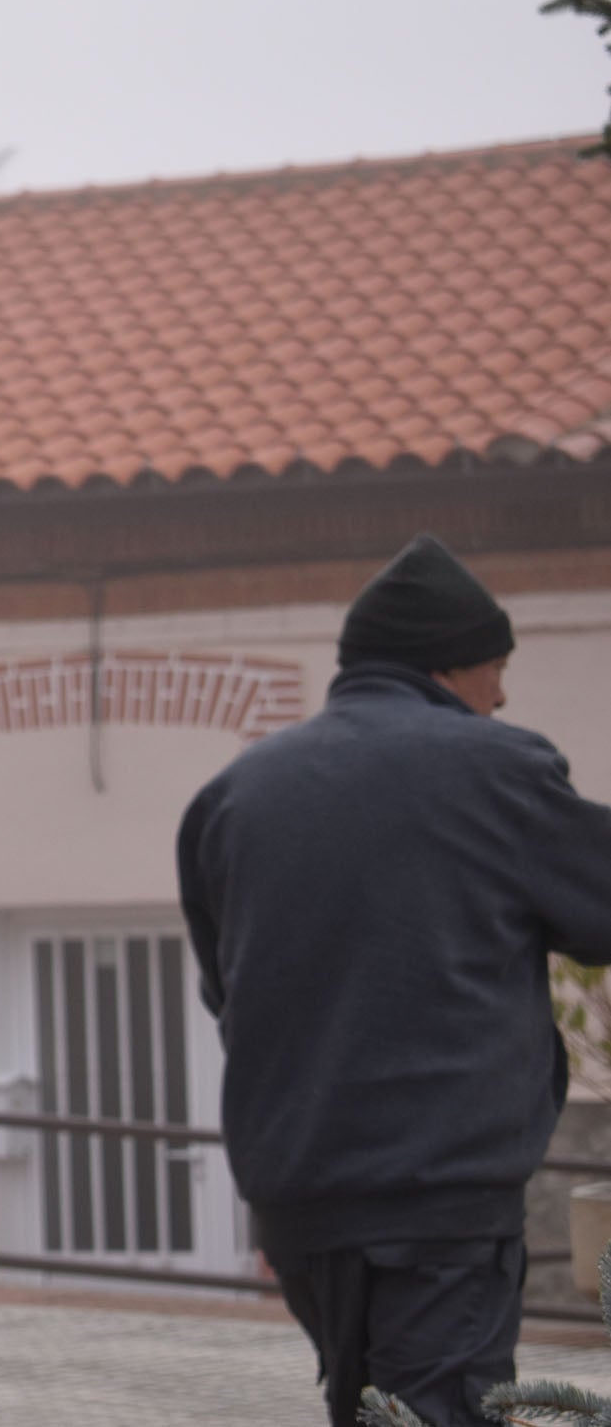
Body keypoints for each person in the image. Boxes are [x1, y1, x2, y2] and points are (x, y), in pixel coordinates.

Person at [178, 534, 611, 1427]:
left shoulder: (233, 795)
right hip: (439, 1193)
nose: (502, 696)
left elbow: (227, 993)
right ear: (452, 667)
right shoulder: (496, 769)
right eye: (495, 670)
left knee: (369, 1407)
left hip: (296, 1195)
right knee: (438, 1412)